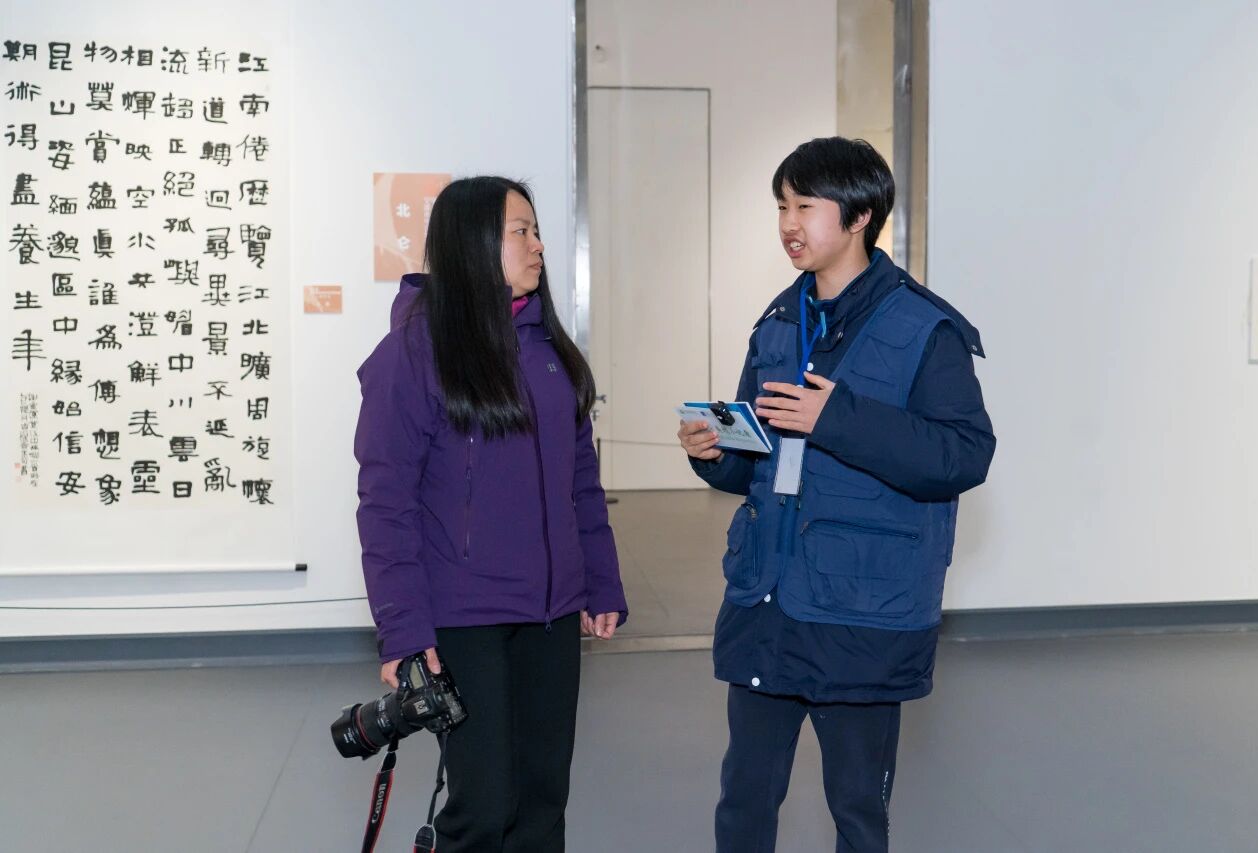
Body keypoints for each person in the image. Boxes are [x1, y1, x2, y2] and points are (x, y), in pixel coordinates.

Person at [676, 137, 996, 852]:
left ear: (859, 214)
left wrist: (838, 418)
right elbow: (760, 464)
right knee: (744, 799)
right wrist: (715, 455)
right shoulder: (779, 322)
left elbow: (964, 454)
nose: (788, 224)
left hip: (862, 612)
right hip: (768, 599)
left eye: (805, 206)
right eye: (781, 207)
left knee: (856, 810)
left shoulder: (925, 329)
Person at [355, 175, 627, 852]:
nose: (538, 246)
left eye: (537, 231)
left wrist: (600, 581)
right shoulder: (412, 354)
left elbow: (581, 483)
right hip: (463, 617)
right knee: (483, 805)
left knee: (542, 799)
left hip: (551, 614)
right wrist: (402, 630)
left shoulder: (550, 353)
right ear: (474, 242)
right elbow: (386, 504)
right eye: (521, 231)